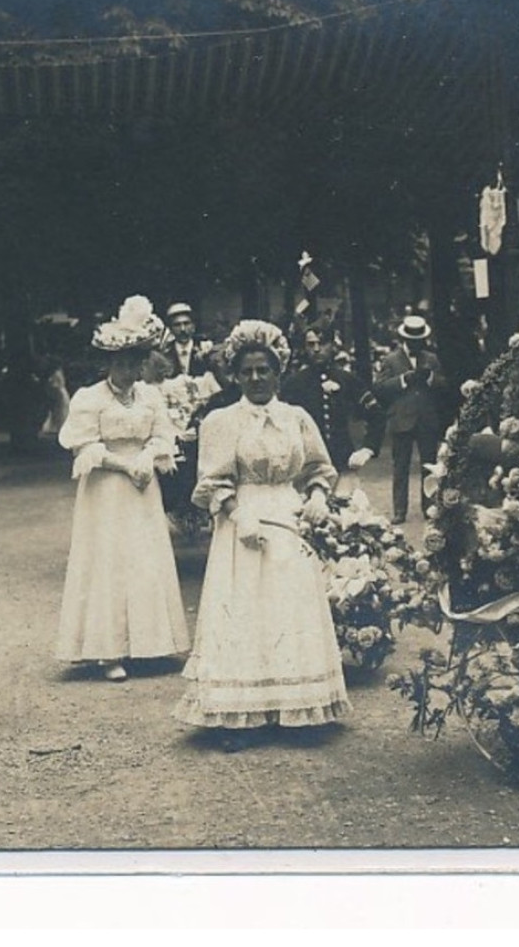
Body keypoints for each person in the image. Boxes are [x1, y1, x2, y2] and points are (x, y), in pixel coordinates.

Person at [176, 319, 349, 748]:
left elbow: (318, 468)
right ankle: (241, 714)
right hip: (245, 525)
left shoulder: (297, 418)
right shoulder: (220, 421)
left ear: (278, 372)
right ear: (235, 374)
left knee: (289, 612)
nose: (256, 379)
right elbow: (212, 482)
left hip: (289, 520)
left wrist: (317, 497)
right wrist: (238, 514)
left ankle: (298, 708)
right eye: (247, 371)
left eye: (264, 370)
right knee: (246, 611)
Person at [56, 296, 190, 680]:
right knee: (109, 561)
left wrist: (148, 458)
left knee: (144, 558)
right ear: (109, 364)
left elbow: (164, 435)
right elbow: (83, 445)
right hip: (107, 489)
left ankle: (149, 645)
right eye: (121, 362)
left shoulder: (149, 395)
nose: (128, 368)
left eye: (135, 361)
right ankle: (107, 651)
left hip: (142, 488)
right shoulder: (90, 398)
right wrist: (124, 464)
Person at [364, 315, 449, 523]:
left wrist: (430, 378)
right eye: (413, 341)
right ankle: (399, 511)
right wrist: (403, 380)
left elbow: (444, 385)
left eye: (420, 341)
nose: (416, 344)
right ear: (406, 339)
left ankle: (429, 507)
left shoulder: (431, 358)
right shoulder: (391, 359)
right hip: (401, 420)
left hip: (426, 419)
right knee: (400, 466)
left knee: (429, 466)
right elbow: (379, 388)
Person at [281, 326, 370, 472]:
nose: (316, 349)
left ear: (332, 345)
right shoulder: (293, 384)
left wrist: (367, 449)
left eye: (321, 343)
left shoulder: (347, 380)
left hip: (342, 460)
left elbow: (375, 414)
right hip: (306, 462)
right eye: (311, 344)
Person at [162, 303, 216, 380]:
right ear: (170, 329)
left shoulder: (205, 349)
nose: (183, 329)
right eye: (177, 325)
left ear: (193, 326)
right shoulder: (165, 354)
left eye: (186, 323)